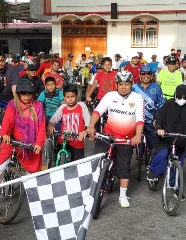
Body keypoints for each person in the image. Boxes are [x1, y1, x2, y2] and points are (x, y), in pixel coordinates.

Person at [86, 70, 144, 208]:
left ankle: (123, 195)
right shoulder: (109, 96)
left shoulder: (137, 98)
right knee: (97, 160)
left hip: (126, 139)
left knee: (124, 168)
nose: (124, 87)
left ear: (131, 84)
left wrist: (137, 135)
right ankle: (93, 188)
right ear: (116, 84)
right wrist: (91, 126)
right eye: (121, 84)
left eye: (127, 84)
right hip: (108, 135)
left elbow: (140, 119)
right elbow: (97, 111)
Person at [0, 77, 46, 183]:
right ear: (18, 94)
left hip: (31, 145)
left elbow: (41, 127)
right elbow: (7, 121)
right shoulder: (13, 105)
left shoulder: (38, 105)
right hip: (13, 141)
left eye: (29, 93)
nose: (27, 96)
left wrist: (39, 143)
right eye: (23, 93)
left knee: (32, 175)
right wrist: (5, 133)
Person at [147, 84, 186, 185]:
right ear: (175, 95)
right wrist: (159, 127)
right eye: (179, 97)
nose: (182, 99)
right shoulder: (169, 104)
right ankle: (153, 171)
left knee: (179, 164)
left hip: (181, 140)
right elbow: (158, 117)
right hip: (166, 138)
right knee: (162, 155)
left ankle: (176, 188)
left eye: (185, 97)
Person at [47, 84, 90, 161]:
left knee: (78, 163)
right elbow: (53, 119)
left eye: (72, 96)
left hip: (77, 140)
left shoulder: (81, 106)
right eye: (67, 97)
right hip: (64, 139)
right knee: (59, 160)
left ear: (76, 96)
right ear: (64, 97)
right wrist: (50, 125)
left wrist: (85, 131)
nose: (70, 99)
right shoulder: (62, 107)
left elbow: (88, 121)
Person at [132, 65, 165, 149]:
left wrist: (159, 117)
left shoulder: (156, 87)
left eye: (148, 73)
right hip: (136, 120)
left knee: (153, 145)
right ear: (140, 75)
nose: (146, 76)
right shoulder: (134, 88)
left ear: (151, 75)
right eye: (143, 74)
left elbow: (161, 103)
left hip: (151, 120)